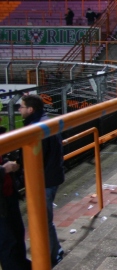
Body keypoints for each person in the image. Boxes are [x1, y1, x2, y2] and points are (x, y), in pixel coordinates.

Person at [19, 95, 65, 267]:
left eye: (21, 107)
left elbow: (39, 156)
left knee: (43, 220)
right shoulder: (45, 123)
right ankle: (53, 252)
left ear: (31, 109)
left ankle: (51, 255)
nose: (19, 110)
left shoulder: (36, 128)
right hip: (51, 177)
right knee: (44, 219)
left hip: (45, 180)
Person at [0, 127, 31, 270]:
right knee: (7, 241)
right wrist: (4, 169)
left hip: (9, 195)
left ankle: (23, 264)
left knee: (18, 233)